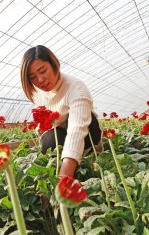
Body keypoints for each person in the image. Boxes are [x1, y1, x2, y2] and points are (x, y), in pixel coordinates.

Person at [20, 45, 103, 177]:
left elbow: (77, 130)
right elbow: (44, 122)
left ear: (54, 64)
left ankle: (91, 152)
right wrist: (40, 128)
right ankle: (67, 159)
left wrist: (64, 177)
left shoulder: (76, 88)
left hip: (87, 133)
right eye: (32, 77)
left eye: (43, 71)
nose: (40, 80)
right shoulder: (38, 93)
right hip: (60, 132)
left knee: (85, 123)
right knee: (49, 141)